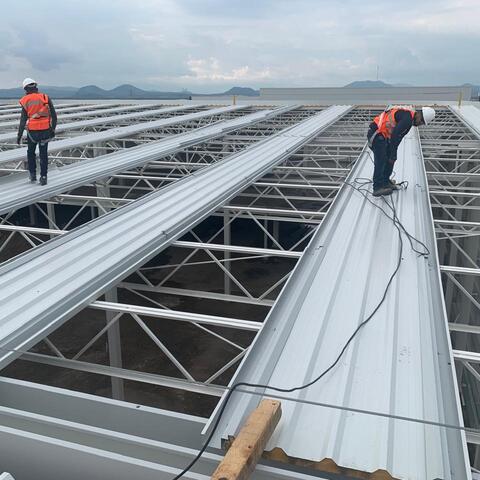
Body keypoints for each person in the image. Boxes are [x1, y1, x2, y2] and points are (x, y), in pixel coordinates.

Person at [367, 105, 435, 197]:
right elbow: (395, 135)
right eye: (421, 120)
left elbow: (398, 138)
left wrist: (393, 154)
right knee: (381, 160)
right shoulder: (407, 119)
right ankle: (377, 187)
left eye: (423, 123)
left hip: (382, 135)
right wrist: (393, 154)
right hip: (376, 133)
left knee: (389, 157)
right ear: (419, 114)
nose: (420, 123)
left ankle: (385, 182)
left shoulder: (408, 121)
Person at [17, 78, 57, 185]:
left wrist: (19, 136)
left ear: (25, 89)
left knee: (31, 152)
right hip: (45, 130)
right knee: (43, 154)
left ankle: (32, 174)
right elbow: (54, 116)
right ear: (36, 86)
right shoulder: (45, 97)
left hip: (32, 132)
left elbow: (23, 120)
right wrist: (53, 129)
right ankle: (43, 177)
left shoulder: (25, 100)